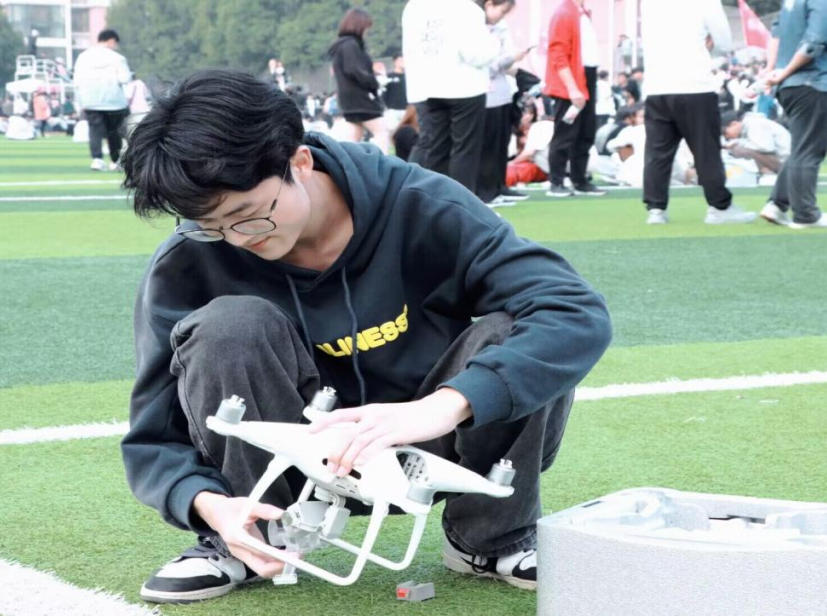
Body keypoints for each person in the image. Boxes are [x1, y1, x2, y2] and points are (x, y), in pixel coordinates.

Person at [118, 69, 611, 604]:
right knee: (227, 327)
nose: (236, 240)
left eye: (247, 216)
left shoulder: (421, 203)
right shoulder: (191, 257)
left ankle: (492, 536)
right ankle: (250, 537)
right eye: (210, 225)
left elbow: (575, 310)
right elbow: (154, 430)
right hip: (290, 451)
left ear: (299, 162)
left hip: (431, 445)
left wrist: (441, 407)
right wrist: (208, 505)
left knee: (515, 328)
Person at [640, 0, 756, 225]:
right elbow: (724, 42)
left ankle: (656, 209)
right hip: (695, 85)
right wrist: (708, 46)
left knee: (657, 153)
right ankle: (719, 206)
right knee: (706, 150)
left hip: (657, 86)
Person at [760, 0, 827, 229]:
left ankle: (778, 203)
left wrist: (772, 70)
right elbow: (814, 41)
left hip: (788, 84)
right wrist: (782, 72)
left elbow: (776, 33)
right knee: (810, 149)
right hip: (812, 80)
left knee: (801, 147)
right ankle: (806, 214)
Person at [403, 0, 499, 193]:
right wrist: (494, 42)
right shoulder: (466, 8)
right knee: (465, 151)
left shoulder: (414, 6)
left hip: (428, 86)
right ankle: (463, 204)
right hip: (464, 87)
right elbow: (476, 54)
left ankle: (435, 201)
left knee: (437, 150)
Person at [543, 0, 606, 197]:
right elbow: (558, 53)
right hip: (571, 82)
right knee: (565, 134)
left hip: (586, 77)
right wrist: (572, 88)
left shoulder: (581, 13)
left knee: (586, 132)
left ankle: (580, 179)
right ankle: (556, 182)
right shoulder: (564, 12)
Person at [476, 0, 534, 205]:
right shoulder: (475, 26)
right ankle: (485, 191)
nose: (502, 16)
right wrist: (510, 59)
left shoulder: (500, 27)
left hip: (503, 93)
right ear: (489, 5)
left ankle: (499, 186)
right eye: (502, 11)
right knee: (488, 147)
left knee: (501, 144)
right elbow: (486, 65)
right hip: (485, 94)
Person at [328, 9, 390, 153]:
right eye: (366, 27)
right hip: (360, 100)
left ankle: (348, 164)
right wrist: (374, 82)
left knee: (353, 139)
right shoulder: (351, 45)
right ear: (359, 26)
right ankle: (382, 163)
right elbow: (354, 70)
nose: (367, 31)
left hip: (348, 101)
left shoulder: (341, 46)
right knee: (382, 132)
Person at [73, 28, 131, 171]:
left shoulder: (83, 57)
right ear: (111, 40)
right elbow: (125, 78)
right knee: (114, 132)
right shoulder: (118, 58)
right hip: (114, 101)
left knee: (95, 131)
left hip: (91, 101)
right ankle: (115, 161)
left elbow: (77, 81)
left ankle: (97, 159)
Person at [723, 111, 792, 179]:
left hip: (787, 164)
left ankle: (769, 176)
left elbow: (765, 147)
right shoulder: (748, 126)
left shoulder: (755, 123)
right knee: (739, 150)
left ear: (734, 124)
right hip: (782, 162)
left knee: (740, 150)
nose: (727, 138)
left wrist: (739, 143)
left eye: (725, 134)